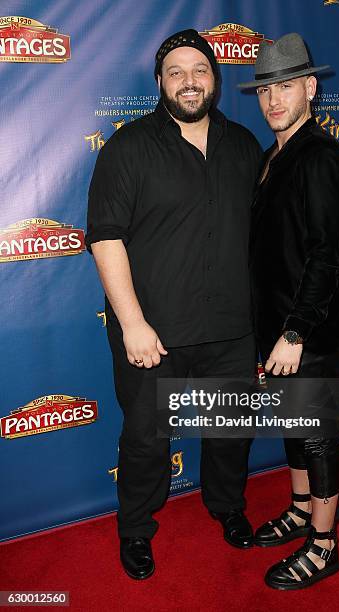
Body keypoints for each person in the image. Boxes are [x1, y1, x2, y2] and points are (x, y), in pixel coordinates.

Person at [86, 29, 263, 580]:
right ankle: (136, 529)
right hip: (154, 333)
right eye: (177, 72)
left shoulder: (244, 146)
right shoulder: (129, 146)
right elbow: (106, 237)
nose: (190, 81)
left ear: (216, 78)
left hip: (232, 329)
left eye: (200, 70)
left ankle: (228, 508)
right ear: (160, 83)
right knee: (146, 439)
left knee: (231, 430)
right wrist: (132, 322)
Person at [238, 33, 339, 589]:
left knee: (316, 433)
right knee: (294, 425)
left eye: (286, 85)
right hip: (279, 329)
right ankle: (302, 507)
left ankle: (324, 543)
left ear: (310, 87)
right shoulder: (273, 157)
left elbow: (327, 255)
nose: (274, 99)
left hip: (307, 330)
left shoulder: (323, 158)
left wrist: (297, 331)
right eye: (265, 89)